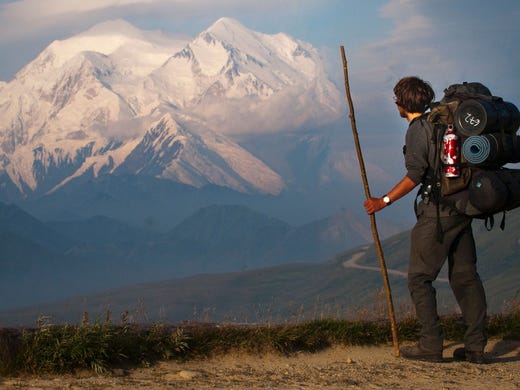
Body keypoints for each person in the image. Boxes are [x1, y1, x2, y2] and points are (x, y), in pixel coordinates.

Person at [364, 76, 487, 363]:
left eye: (396, 99)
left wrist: (382, 201)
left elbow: (415, 175)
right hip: (463, 206)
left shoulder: (418, 129)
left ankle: (430, 345)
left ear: (402, 103)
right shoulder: (445, 122)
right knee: (466, 278)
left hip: (438, 212)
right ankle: (476, 347)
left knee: (419, 278)